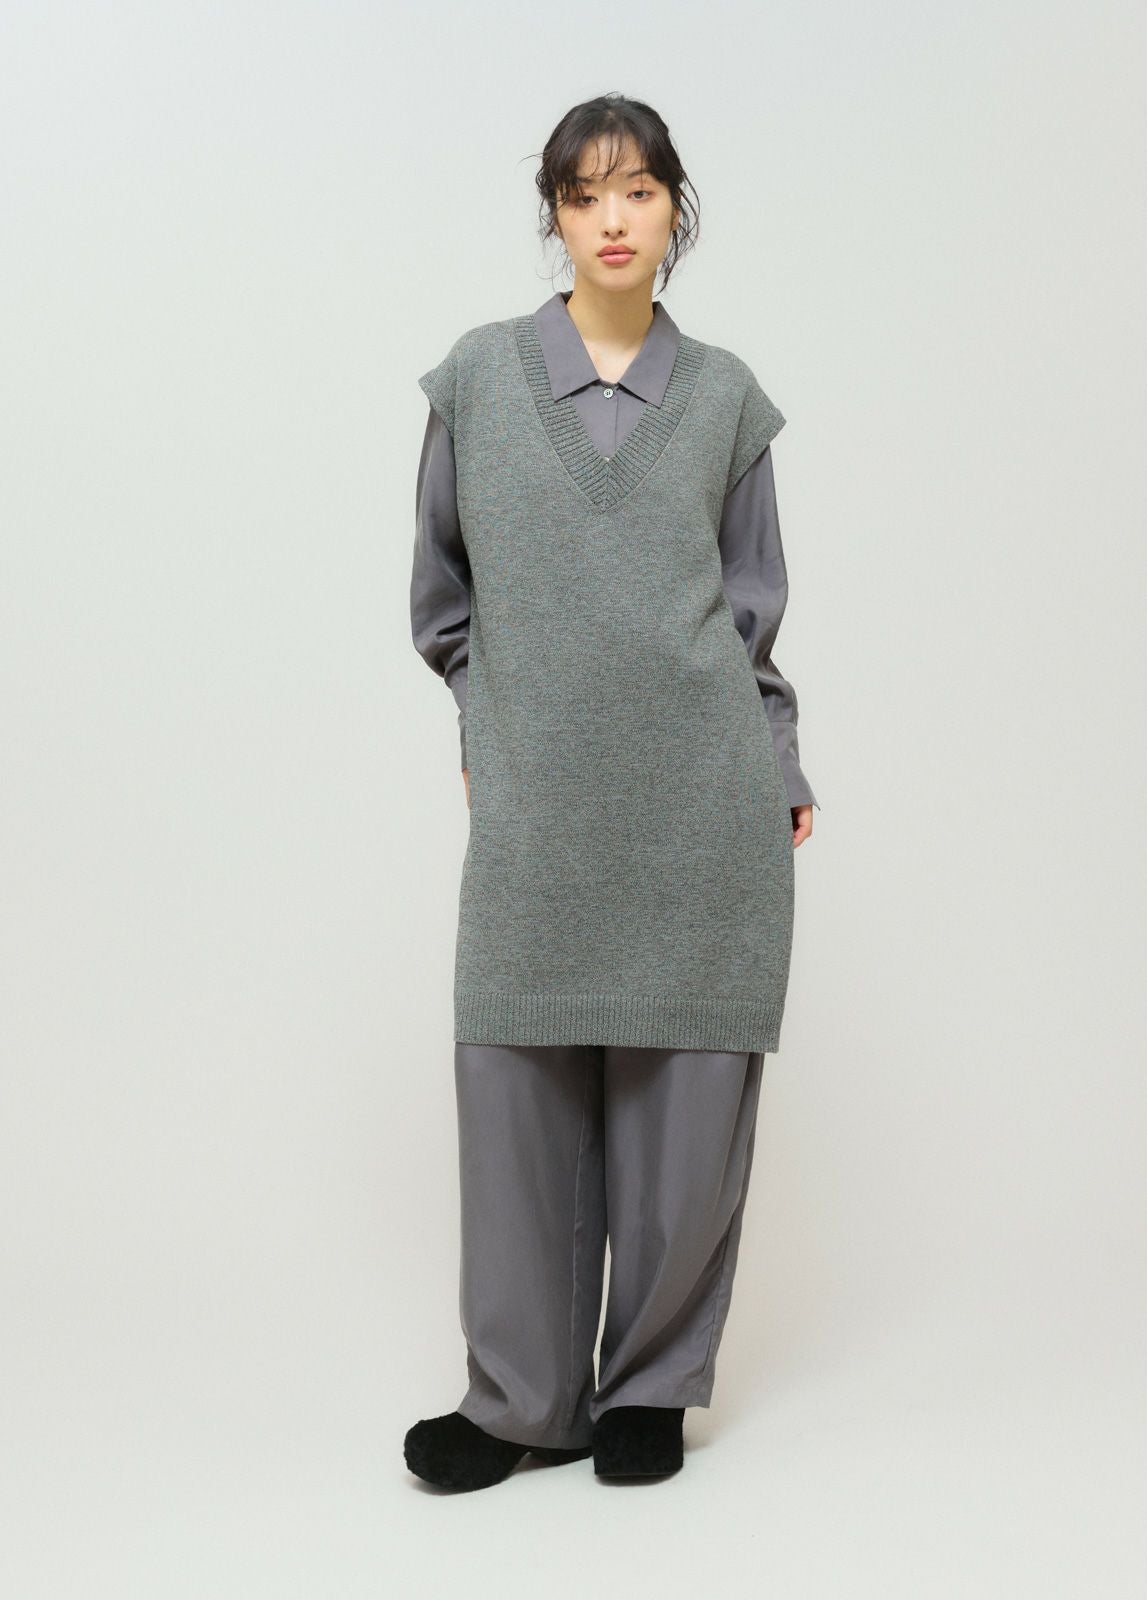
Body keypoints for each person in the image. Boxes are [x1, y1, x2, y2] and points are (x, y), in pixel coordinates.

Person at [405, 93, 820, 1492]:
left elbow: (753, 616)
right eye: (585, 196)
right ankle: (523, 1400)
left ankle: (647, 1389)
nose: (613, 219)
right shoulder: (476, 381)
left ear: (674, 210)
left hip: (702, 798)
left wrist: (778, 766)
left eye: (638, 190)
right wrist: (489, 723)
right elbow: (445, 601)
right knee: (515, 1087)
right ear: (556, 218)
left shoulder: (726, 400)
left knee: (685, 1098)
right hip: (541, 802)